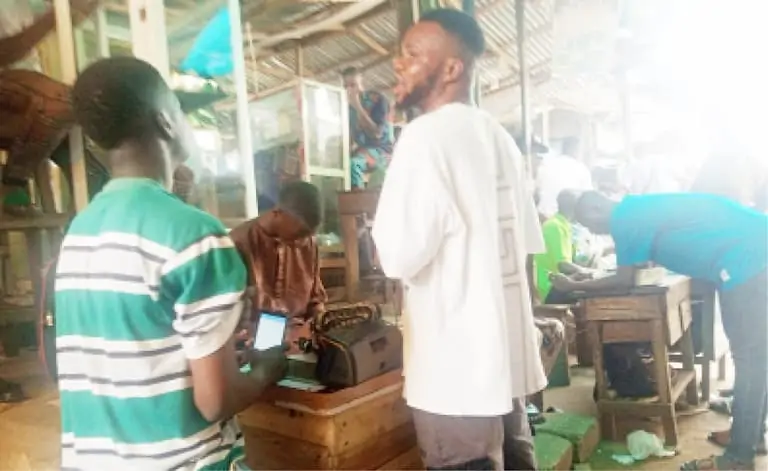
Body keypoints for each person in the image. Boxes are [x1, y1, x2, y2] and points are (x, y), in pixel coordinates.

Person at [55, 57, 286, 470]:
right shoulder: (194, 234)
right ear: (165, 121)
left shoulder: (80, 231)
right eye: (180, 109)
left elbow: (132, 350)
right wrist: (264, 370)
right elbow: (215, 402)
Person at [372, 9, 546, 470]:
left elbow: (397, 256)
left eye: (412, 54)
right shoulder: (500, 138)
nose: (399, 64)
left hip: (455, 373)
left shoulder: (425, 138)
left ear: (452, 68)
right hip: (503, 365)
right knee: (515, 458)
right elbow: (525, 248)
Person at [550, 191, 768, 471]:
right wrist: (588, 277)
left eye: (590, 225)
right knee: (756, 358)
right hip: (752, 252)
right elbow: (636, 266)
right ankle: (750, 437)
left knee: (750, 360)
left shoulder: (623, 218)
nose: (595, 232)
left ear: (595, 208)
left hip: (748, 261)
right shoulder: (635, 210)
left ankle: (739, 457)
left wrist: (574, 286)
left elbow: (625, 279)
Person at [229, 181, 327, 353]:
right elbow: (231, 316)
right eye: (299, 234)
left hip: (300, 334)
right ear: (278, 213)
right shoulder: (239, 242)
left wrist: (317, 323)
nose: (302, 242)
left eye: (308, 235)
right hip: (253, 338)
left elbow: (316, 300)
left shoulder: (308, 243)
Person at [534, 189, 591, 304]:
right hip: (549, 287)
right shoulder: (555, 226)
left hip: (558, 283)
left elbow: (573, 261)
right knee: (593, 293)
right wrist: (591, 273)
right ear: (575, 208)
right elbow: (562, 265)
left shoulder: (564, 225)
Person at [342, 66, 394, 189]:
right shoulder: (347, 109)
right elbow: (350, 137)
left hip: (382, 150)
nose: (349, 90)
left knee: (353, 164)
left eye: (353, 85)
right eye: (346, 86)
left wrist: (357, 106)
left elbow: (377, 134)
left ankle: (357, 198)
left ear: (361, 82)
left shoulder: (377, 100)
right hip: (362, 150)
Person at [535, 136, 593, 219]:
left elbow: (536, 193)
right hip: (565, 221)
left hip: (543, 218)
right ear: (576, 150)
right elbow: (588, 200)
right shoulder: (582, 169)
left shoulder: (545, 165)